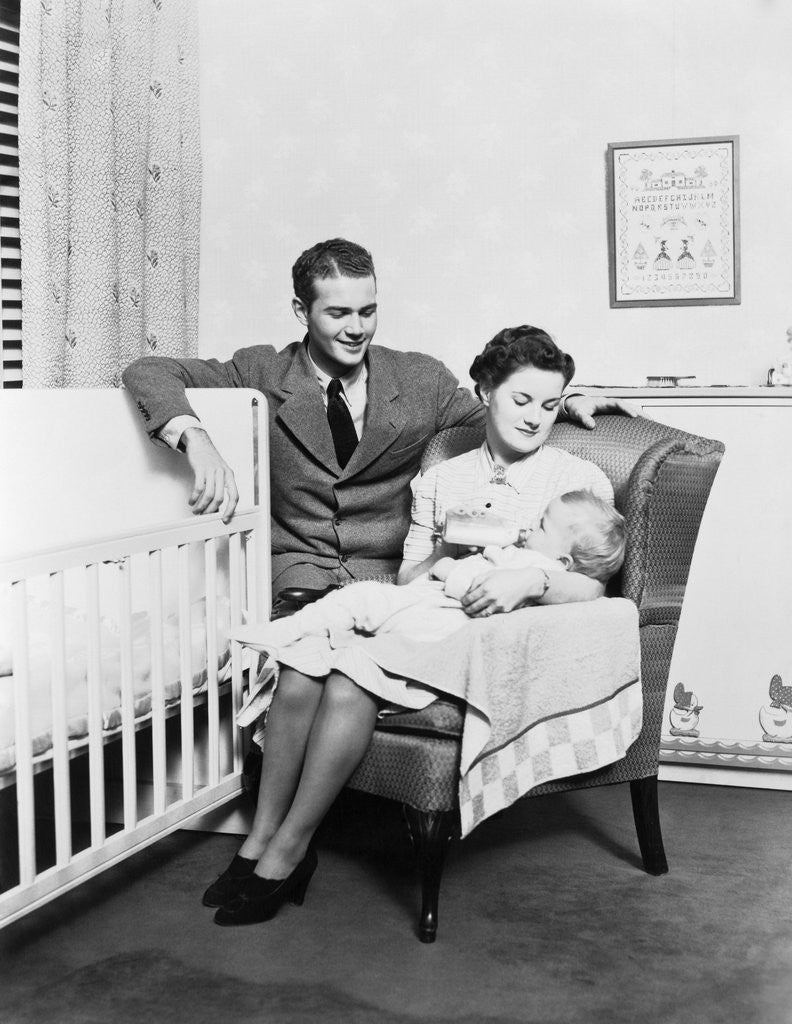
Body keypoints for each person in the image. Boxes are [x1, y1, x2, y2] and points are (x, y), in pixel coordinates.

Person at [202, 325, 626, 928]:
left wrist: (530, 580)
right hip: (428, 609)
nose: (536, 418)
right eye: (521, 400)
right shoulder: (441, 479)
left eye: (551, 404)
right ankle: (259, 838)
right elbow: (411, 579)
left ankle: (291, 848)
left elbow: (594, 589)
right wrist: (449, 551)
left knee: (348, 677)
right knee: (299, 666)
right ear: (486, 393)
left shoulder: (577, 483)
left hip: (493, 642)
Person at [122, 238, 635, 598]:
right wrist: (197, 440)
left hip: (387, 580)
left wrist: (566, 400)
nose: (356, 329)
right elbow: (148, 370)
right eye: (338, 313)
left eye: (367, 312)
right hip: (295, 576)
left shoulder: (421, 380)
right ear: (301, 311)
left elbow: (501, 409)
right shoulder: (261, 370)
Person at [233, 489, 626, 654]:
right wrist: (453, 546)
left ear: (564, 563)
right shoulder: (527, 556)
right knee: (359, 608)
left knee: (358, 599)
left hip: (446, 620)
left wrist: (449, 568)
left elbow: (479, 589)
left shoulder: (538, 566)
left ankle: (284, 634)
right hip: (430, 606)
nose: (529, 528)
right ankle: (295, 635)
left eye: (541, 526)